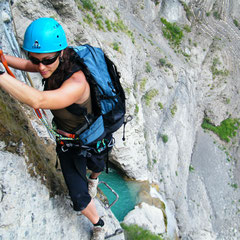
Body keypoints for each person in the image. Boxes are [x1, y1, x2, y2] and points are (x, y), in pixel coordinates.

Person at [0, 17, 110, 240]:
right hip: (67, 140)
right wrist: (3, 58)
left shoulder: (77, 83)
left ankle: (94, 179)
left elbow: (38, 100)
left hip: (92, 136)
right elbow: (25, 65)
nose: (41, 67)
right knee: (79, 198)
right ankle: (99, 224)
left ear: (61, 53)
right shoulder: (50, 62)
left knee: (97, 164)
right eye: (35, 59)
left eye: (47, 60)